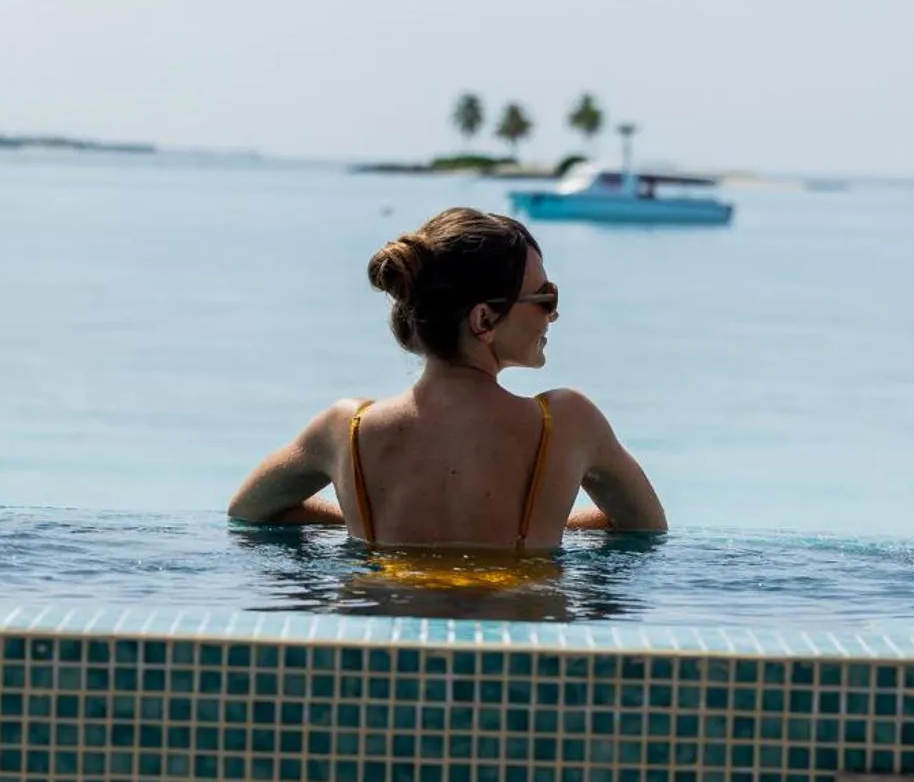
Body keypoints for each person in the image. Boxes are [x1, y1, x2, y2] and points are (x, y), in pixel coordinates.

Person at [227, 207, 667, 550]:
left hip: (384, 647)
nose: (553, 313)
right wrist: (548, 522)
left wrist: (363, 516)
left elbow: (248, 511)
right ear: (484, 319)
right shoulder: (570, 424)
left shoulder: (346, 430)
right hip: (517, 647)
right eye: (544, 297)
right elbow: (646, 529)